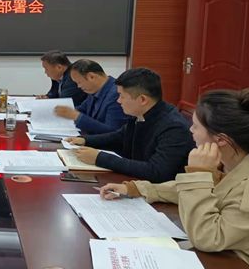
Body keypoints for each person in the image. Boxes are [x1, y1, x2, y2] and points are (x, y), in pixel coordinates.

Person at [99, 89, 249, 265]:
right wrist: (135, 188)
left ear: (221, 139)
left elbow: (208, 237)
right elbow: (186, 190)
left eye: (195, 126)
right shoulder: (227, 161)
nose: (190, 130)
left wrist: (198, 174)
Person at [65, 68, 195, 182]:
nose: (118, 101)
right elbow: (120, 136)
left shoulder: (173, 127)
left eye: (122, 96)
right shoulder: (141, 113)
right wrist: (85, 140)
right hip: (136, 182)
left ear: (142, 99)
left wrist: (99, 158)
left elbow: (156, 171)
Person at [54, 59, 128, 134]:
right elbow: (82, 109)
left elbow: (113, 132)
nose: (78, 86)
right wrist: (63, 112)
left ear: (91, 77)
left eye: (79, 82)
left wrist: (77, 117)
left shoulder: (117, 94)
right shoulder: (94, 90)